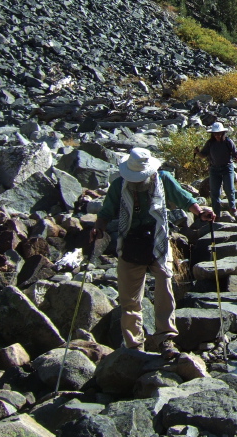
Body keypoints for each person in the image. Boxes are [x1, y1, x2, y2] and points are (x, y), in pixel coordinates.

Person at [90, 148, 215, 358]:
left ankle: (165, 339)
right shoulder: (120, 185)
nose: (138, 182)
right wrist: (98, 228)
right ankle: (133, 346)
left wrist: (200, 211)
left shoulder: (163, 179)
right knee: (129, 298)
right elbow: (106, 212)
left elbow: (184, 198)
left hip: (157, 239)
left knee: (165, 284)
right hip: (130, 242)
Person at [194, 121, 237, 220]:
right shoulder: (210, 143)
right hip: (214, 169)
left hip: (227, 168)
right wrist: (197, 153)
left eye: (219, 134)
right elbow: (203, 155)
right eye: (215, 134)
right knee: (214, 192)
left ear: (223, 133)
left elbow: (236, 153)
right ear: (212, 134)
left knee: (229, 188)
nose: (217, 136)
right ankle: (217, 214)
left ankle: (232, 209)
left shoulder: (228, 142)